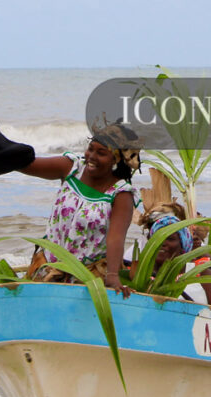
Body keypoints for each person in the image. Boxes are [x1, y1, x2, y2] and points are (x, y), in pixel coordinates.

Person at [20, 123, 140, 295]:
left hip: (86, 278)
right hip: (48, 268)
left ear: (116, 160)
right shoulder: (71, 169)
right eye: (90, 149)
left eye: (101, 153)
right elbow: (26, 165)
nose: (91, 156)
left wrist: (113, 275)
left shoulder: (121, 194)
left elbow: (116, 238)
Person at [144, 210, 211, 310]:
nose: (162, 242)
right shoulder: (141, 275)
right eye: (158, 237)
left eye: (170, 239)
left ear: (182, 246)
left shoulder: (200, 273)